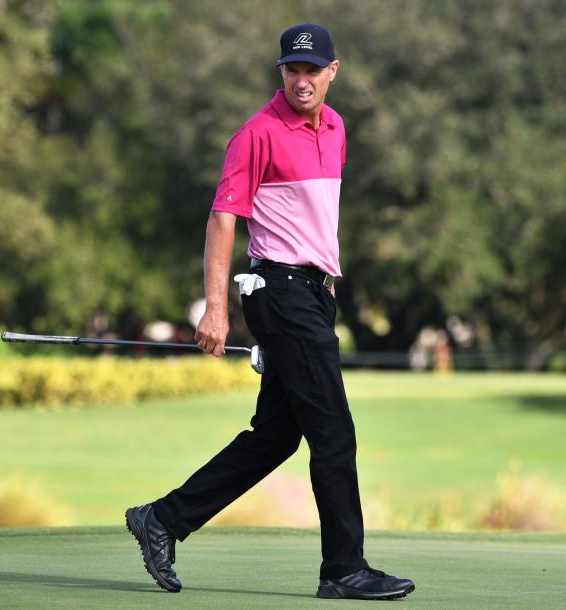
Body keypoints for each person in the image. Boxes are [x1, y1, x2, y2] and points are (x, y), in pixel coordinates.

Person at [126, 23, 415, 601]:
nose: (302, 80)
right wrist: (216, 309)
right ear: (281, 71)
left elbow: (314, 219)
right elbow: (222, 219)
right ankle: (343, 569)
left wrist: (327, 280)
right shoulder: (256, 134)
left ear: (334, 71)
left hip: (313, 294)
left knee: (278, 434)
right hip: (277, 291)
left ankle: (162, 519)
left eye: (312, 70)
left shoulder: (335, 128)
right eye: (292, 69)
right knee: (333, 431)